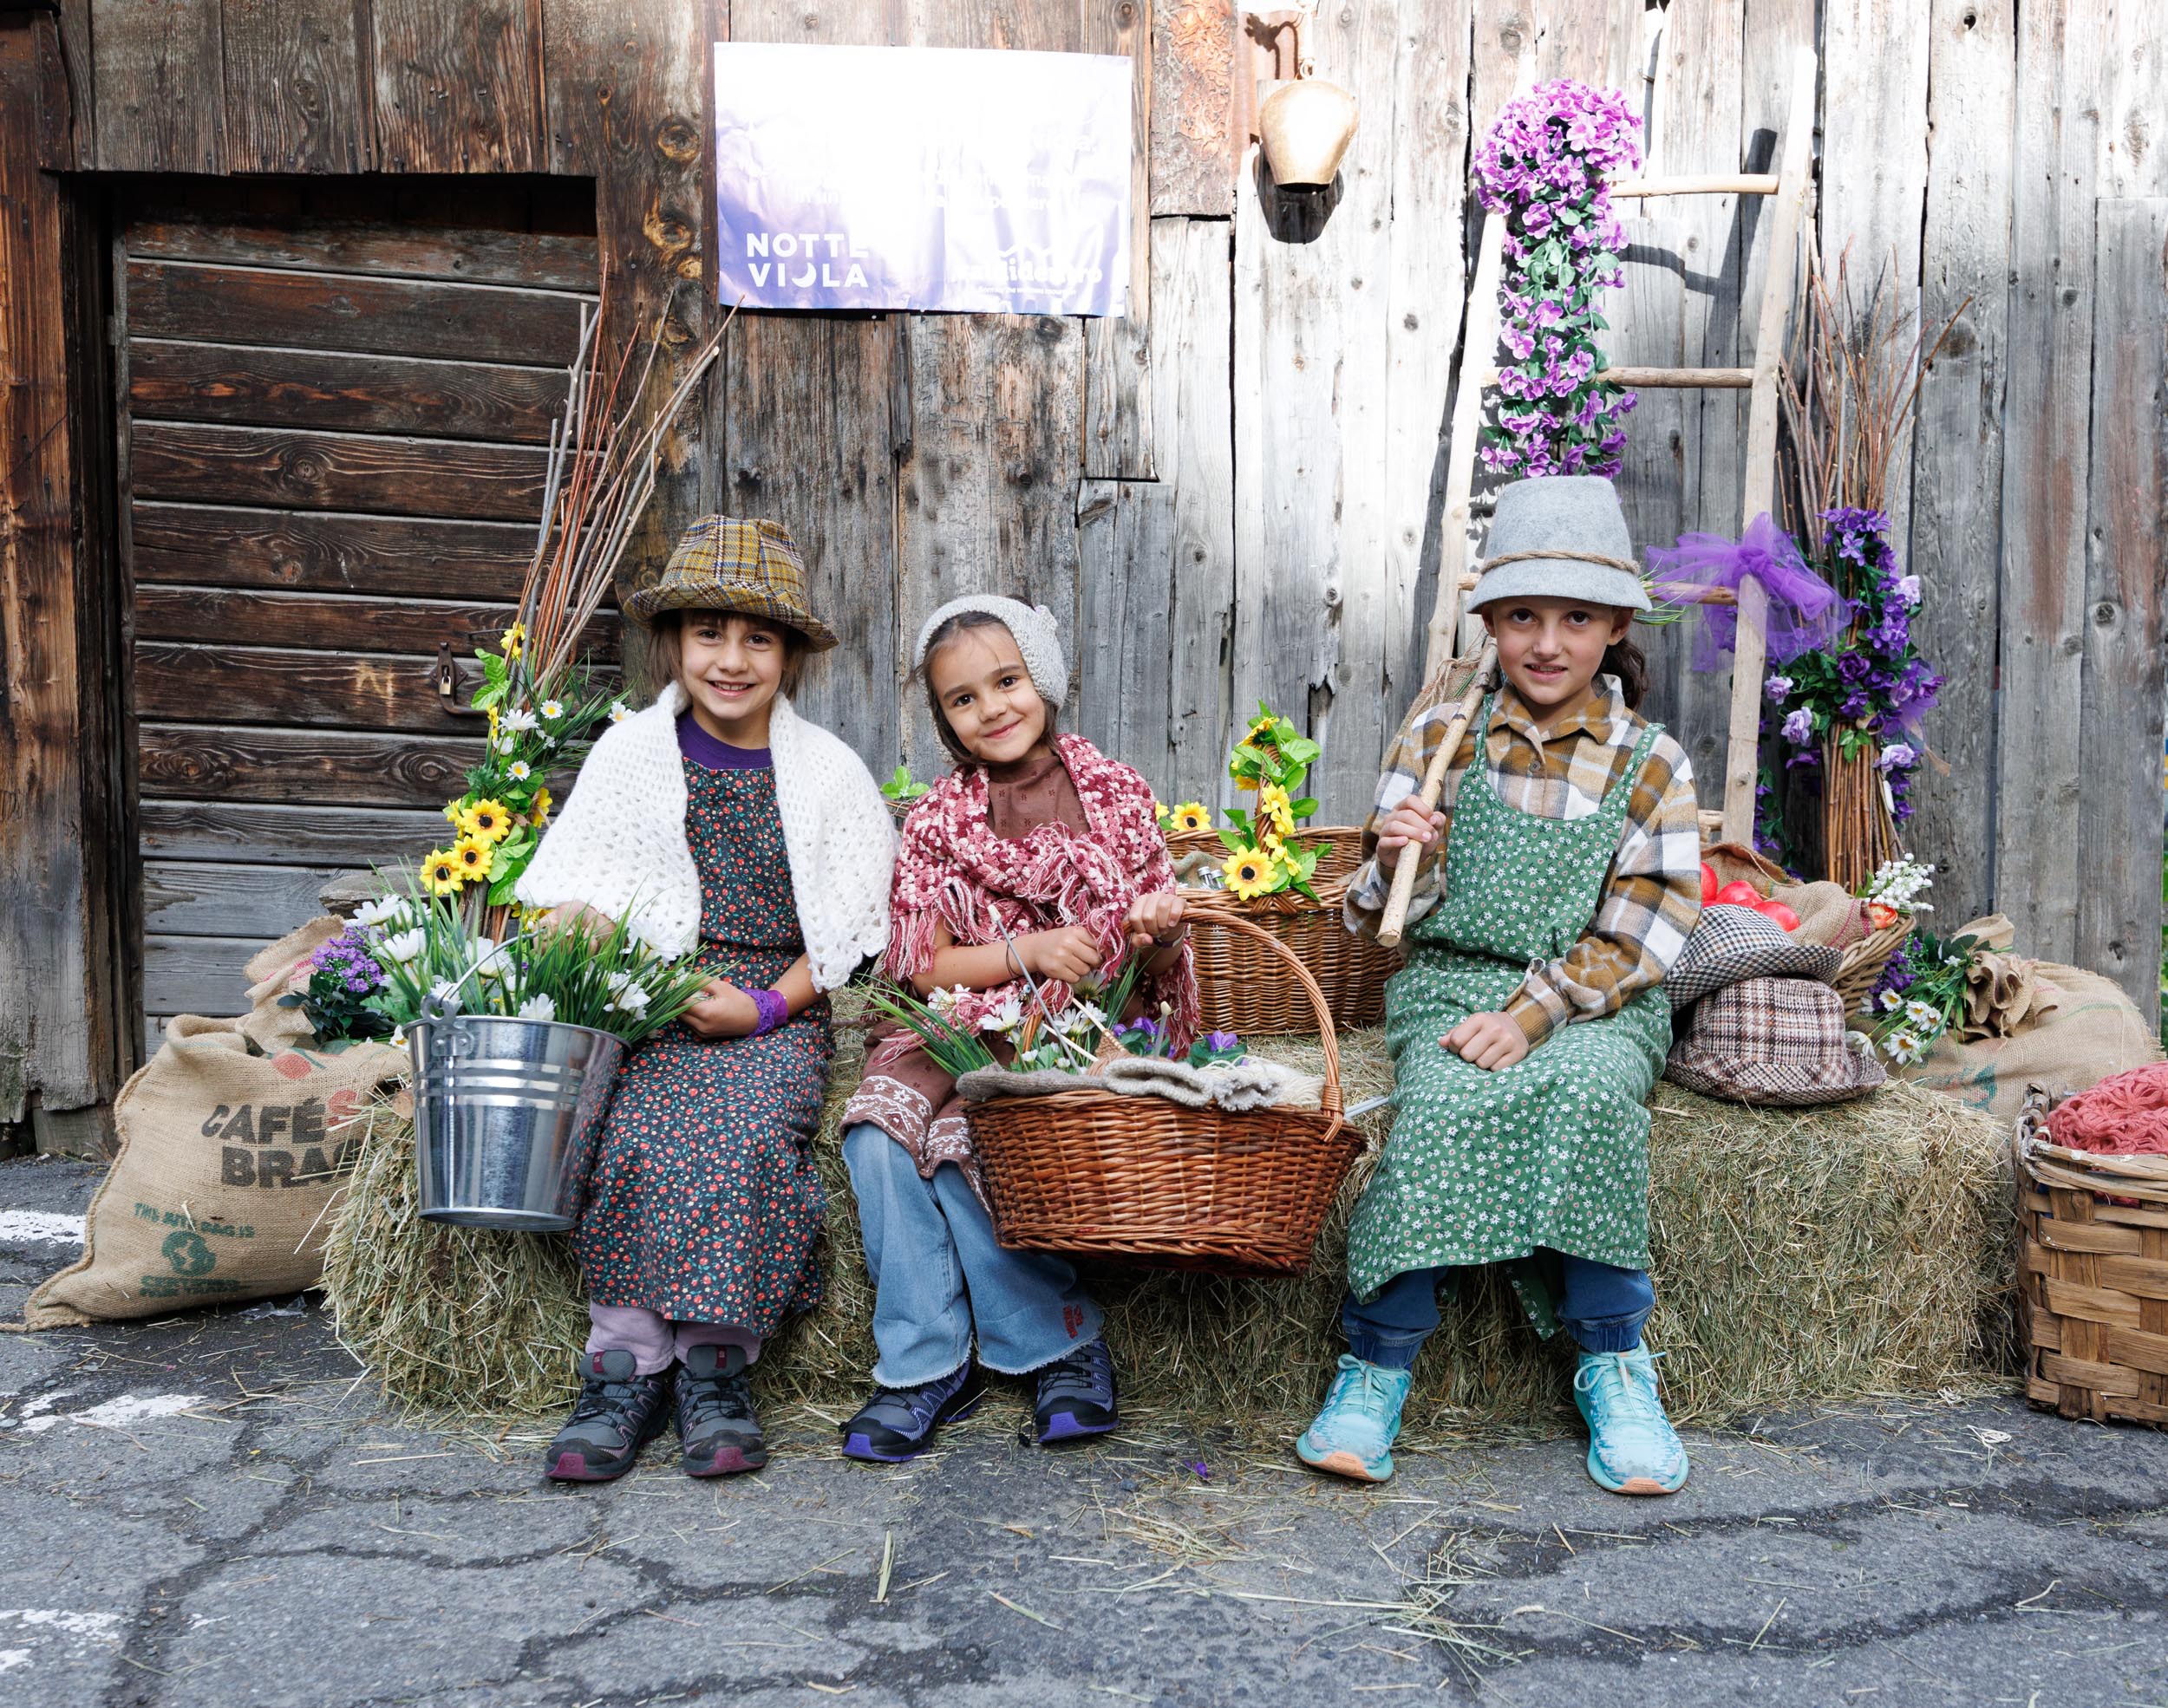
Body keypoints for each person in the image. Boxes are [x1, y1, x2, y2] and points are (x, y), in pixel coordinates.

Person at [1297, 475, 1704, 1495]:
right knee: (1439, 1101)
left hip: (1592, 998)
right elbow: (1372, 917)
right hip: (1450, 983)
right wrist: (1402, 859)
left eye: (1575, 617)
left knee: (1586, 1093)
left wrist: (1534, 1014)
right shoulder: (1441, 737)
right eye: (1521, 614)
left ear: (1615, 626)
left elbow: (1648, 930)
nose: (1547, 641)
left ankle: (1614, 1359)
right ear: (1488, 623)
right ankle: (1375, 1365)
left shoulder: (1650, 763)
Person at [515, 517, 892, 1482]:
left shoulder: (827, 774)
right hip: (654, 1003)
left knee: (745, 1136)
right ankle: (623, 1368)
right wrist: (591, 942)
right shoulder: (634, 755)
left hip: (773, 1004)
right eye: (708, 635)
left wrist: (763, 1010)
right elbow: (577, 894)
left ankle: (715, 1369)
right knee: (630, 1130)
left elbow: (846, 934)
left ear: (792, 655)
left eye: (758, 638)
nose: (731, 660)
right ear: (672, 644)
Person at [835, 596, 1198, 1461]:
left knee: (975, 1139)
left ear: (1044, 679)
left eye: (1008, 681)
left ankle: (1056, 1342)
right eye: (963, 698)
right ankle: (924, 1360)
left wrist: (1159, 930)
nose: (991, 708)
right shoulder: (937, 819)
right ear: (944, 718)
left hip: (1079, 1021)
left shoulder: (1112, 794)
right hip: (961, 1015)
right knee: (879, 1133)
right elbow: (924, 963)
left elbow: (1156, 954)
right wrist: (1027, 947)